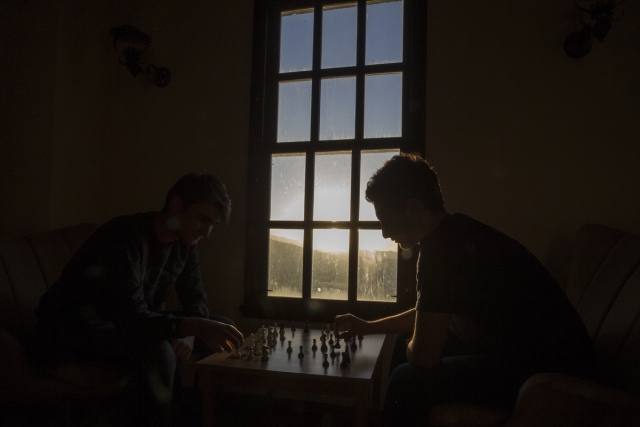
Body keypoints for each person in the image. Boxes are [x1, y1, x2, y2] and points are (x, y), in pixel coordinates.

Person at [334, 153, 597, 426]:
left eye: (386, 221)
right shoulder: (458, 232)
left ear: (413, 208)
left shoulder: (440, 251)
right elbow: (429, 315)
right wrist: (368, 326)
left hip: (551, 379)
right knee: (405, 346)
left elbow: (424, 356)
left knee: (405, 380)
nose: (384, 233)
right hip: (541, 361)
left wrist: (416, 345)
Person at [34, 173, 244, 427]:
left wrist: (189, 331)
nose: (207, 232)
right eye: (203, 219)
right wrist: (182, 327)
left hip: (124, 323)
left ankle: (197, 417)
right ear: (176, 205)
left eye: (213, 224)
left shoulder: (185, 244)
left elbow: (196, 298)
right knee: (160, 351)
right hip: (75, 328)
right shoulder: (125, 236)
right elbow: (130, 314)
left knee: (222, 329)